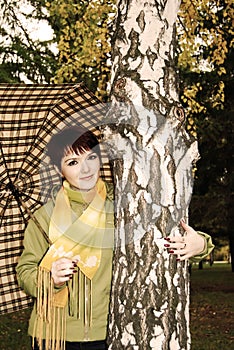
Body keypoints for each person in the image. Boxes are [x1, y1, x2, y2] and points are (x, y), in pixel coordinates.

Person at [16, 125, 214, 350]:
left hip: (109, 330)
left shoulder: (123, 203)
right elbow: (25, 272)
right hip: (54, 334)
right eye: (72, 162)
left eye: (91, 157)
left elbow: (162, 235)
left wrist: (201, 243)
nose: (85, 168)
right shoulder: (44, 217)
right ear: (58, 168)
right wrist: (50, 278)